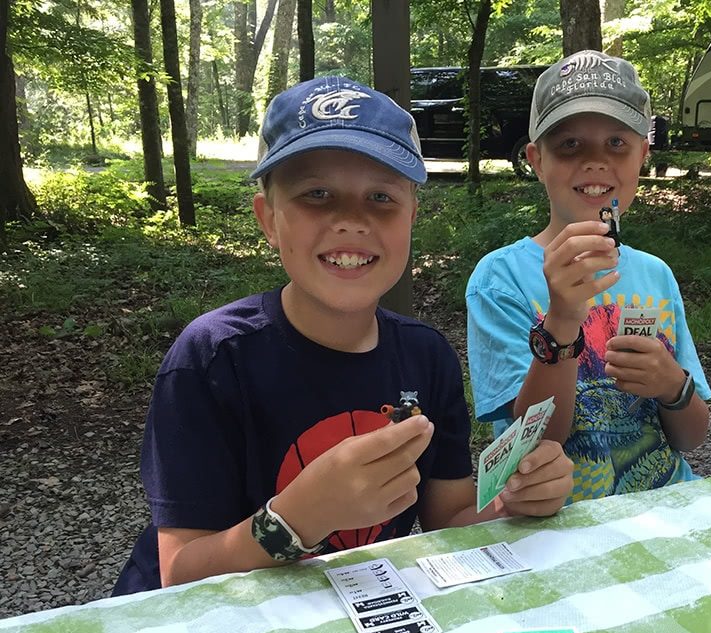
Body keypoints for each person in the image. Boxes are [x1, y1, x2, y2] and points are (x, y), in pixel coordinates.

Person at [113, 76, 573, 595]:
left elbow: (450, 519)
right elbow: (179, 572)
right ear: (268, 219)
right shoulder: (213, 358)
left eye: (381, 197)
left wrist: (515, 499)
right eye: (317, 194)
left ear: (411, 218)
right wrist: (298, 517)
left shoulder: (426, 355)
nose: (352, 220)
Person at [466, 51, 711, 503]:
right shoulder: (500, 279)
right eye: (570, 145)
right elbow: (534, 445)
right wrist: (561, 321)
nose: (595, 163)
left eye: (616, 143)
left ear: (643, 155)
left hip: (666, 506)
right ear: (537, 161)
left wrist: (672, 384)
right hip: (558, 520)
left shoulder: (656, 275)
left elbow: (692, 438)